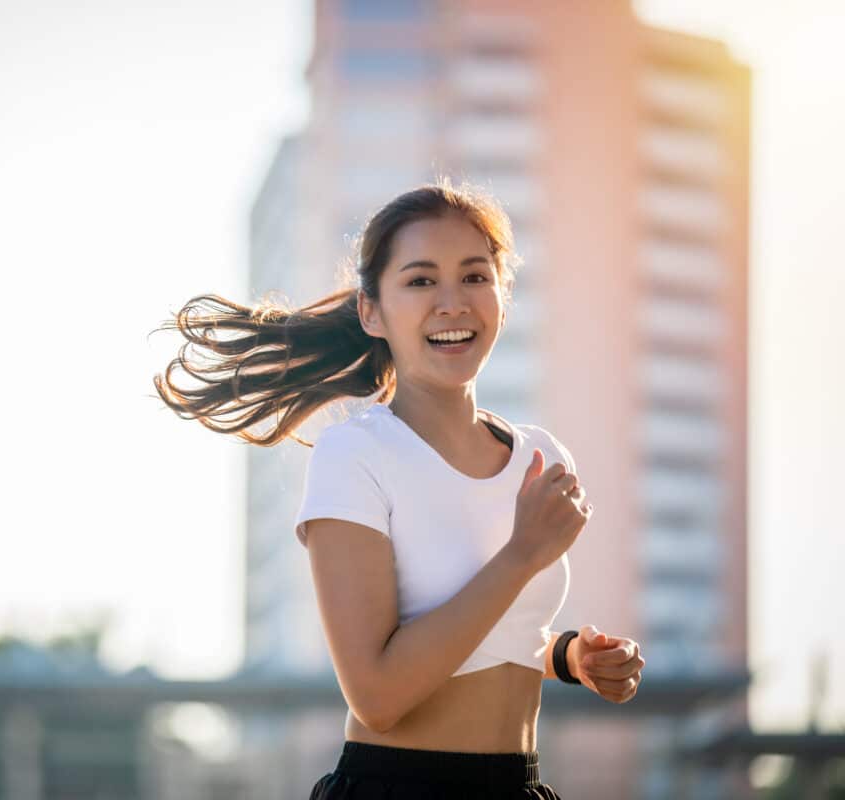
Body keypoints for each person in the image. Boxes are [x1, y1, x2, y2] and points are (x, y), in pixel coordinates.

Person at [152, 179, 645, 798]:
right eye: (419, 280)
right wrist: (523, 555)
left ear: (502, 294)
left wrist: (568, 657)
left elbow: (486, 636)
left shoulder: (538, 456)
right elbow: (379, 693)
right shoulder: (355, 455)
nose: (452, 302)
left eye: (474, 276)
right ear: (371, 311)